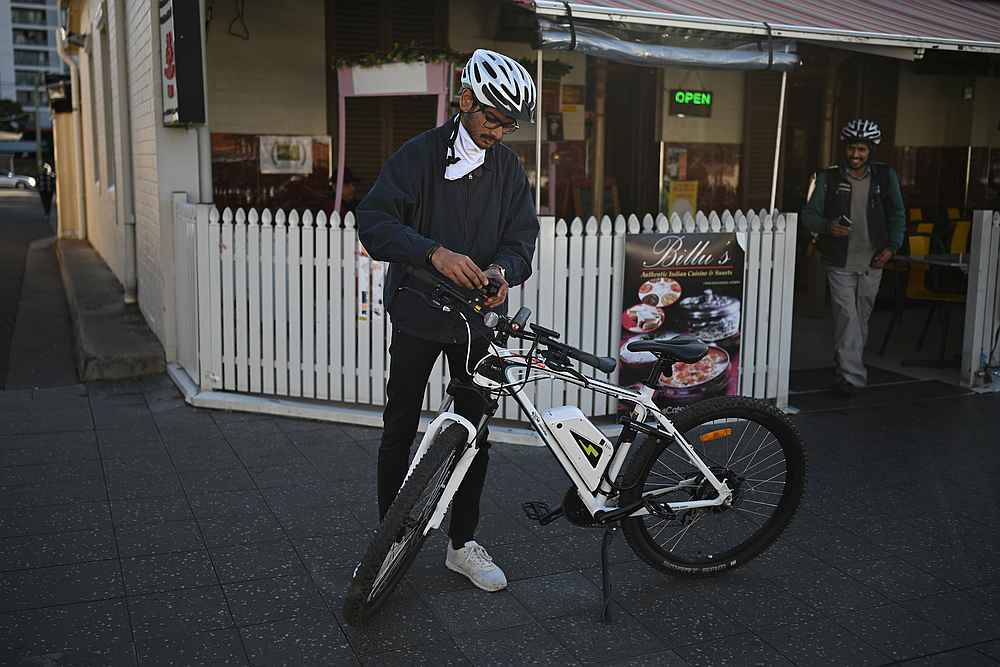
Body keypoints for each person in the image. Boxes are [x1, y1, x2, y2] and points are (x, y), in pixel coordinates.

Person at [356, 49, 538, 592]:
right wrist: (433, 253)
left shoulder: (508, 168)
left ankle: (462, 544)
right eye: (493, 118)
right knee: (400, 429)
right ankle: (389, 539)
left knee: (475, 431)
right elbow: (373, 222)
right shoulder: (416, 156)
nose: (499, 132)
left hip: (476, 320)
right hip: (416, 310)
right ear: (466, 101)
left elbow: (523, 238)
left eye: (509, 123)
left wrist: (504, 269)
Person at [802, 119, 905, 396]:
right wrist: (827, 226)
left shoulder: (885, 177)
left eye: (861, 149)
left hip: (874, 260)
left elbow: (897, 213)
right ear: (844, 148)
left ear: (871, 150)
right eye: (851, 149)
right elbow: (808, 216)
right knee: (847, 317)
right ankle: (853, 378)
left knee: (860, 319)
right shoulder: (828, 177)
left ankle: (844, 366)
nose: (855, 155)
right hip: (839, 260)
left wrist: (892, 247)